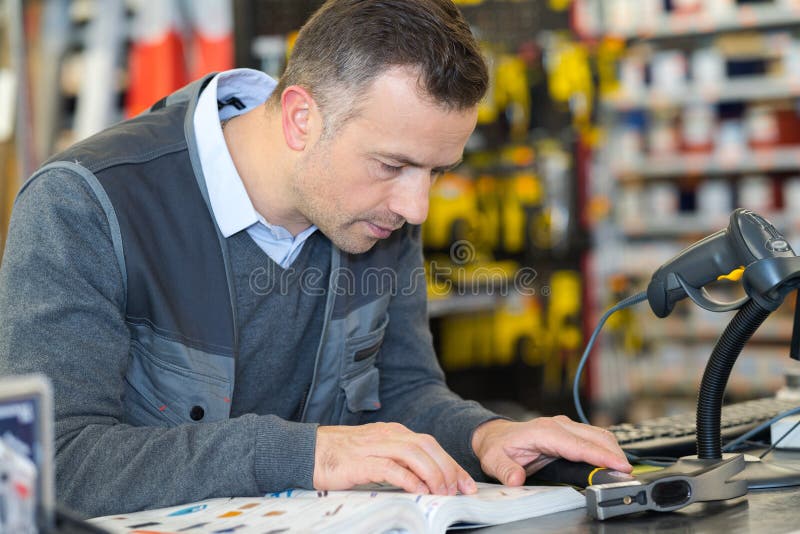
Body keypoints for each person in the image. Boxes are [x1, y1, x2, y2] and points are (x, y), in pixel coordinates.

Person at [0, 0, 631, 518]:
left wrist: (480, 435)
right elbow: (52, 462)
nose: (417, 207)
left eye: (437, 172)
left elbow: (401, 391)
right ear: (302, 118)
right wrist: (306, 453)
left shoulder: (376, 213)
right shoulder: (85, 204)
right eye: (393, 165)